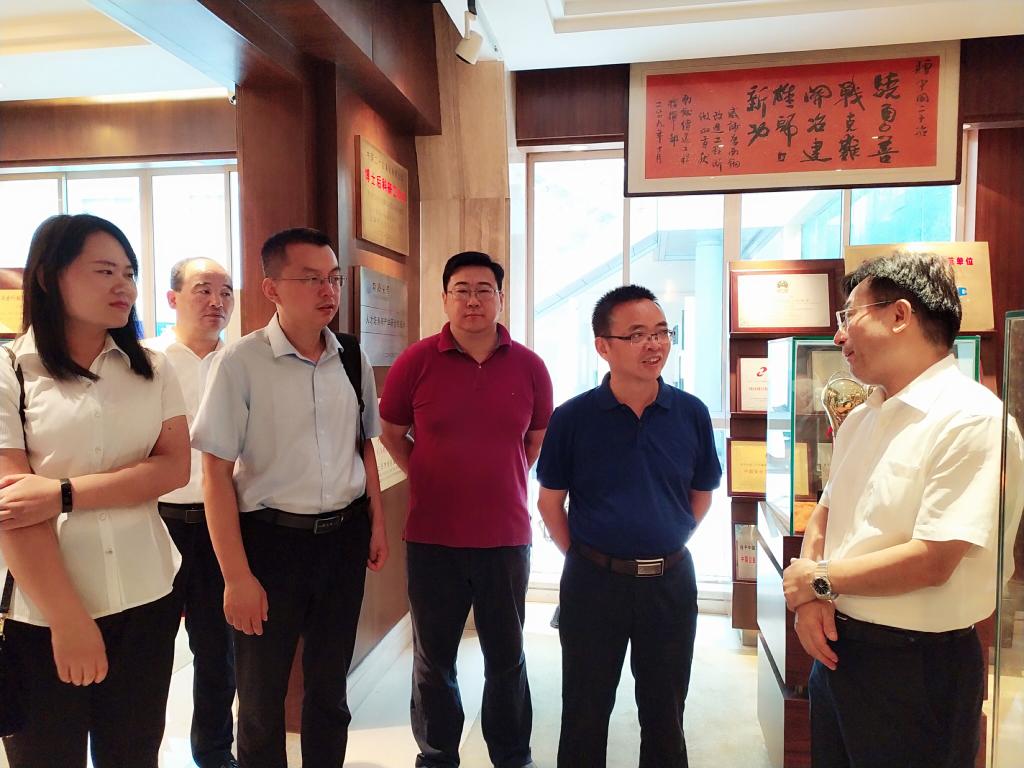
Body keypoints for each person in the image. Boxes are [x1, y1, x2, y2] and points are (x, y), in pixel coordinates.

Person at [782, 251, 1020, 768]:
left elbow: (934, 559)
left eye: (849, 316)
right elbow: (826, 512)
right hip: (839, 649)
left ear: (899, 315)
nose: (839, 336)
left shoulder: (971, 418)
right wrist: (812, 599)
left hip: (917, 667)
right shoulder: (862, 417)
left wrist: (816, 580)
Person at [191, 227, 388, 768]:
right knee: (260, 697)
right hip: (270, 544)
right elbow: (214, 475)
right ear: (272, 287)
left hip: (342, 540)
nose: (329, 291)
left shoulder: (352, 356)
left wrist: (376, 522)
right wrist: (236, 576)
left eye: (334, 279)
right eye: (311, 279)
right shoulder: (240, 362)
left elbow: (364, 446)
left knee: (330, 689)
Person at [0, 214, 190, 767]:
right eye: (104, 271)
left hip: (147, 595)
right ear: (48, 277)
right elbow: (13, 507)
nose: (123, 286)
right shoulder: (11, 370)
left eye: (129, 273)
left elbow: (173, 468)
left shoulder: (152, 368)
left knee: (133, 755)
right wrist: (69, 620)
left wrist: (61, 493)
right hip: (43, 614)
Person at [536, 284, 721, 768]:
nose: (654, 344)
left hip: (670, 583)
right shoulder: (572, 418)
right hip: (593, 584)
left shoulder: (691, 413)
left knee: (665, 714)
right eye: (637, 335)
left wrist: (669, 534)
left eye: (661, 332)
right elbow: (550, 503)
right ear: (603, 346)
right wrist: (586, 556)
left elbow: (701, 494)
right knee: (584, 711)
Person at [379, 250, 552, 768]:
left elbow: (534, 440)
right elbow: (392, 432)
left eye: (483, 290)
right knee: (434, 659)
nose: (472, 300)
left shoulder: (530, 366)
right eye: (461, 290)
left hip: (505, 537)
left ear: (501, 298)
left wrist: (499, 477)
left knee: (507, 657)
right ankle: (437, 755)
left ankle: (511, 754)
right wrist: (427, 473)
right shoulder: (416, 361)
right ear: (444, 298)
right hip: (433, 538)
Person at [143, 257, 237, 768]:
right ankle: (137, 752)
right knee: (149, 649)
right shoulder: (145, 361)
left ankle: (215, 752)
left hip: (224, 524)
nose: (216, 301)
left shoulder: (242, 360)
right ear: (173, 298)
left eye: (226, 291)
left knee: (218, 648)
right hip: (157, 521)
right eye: (203, 289)